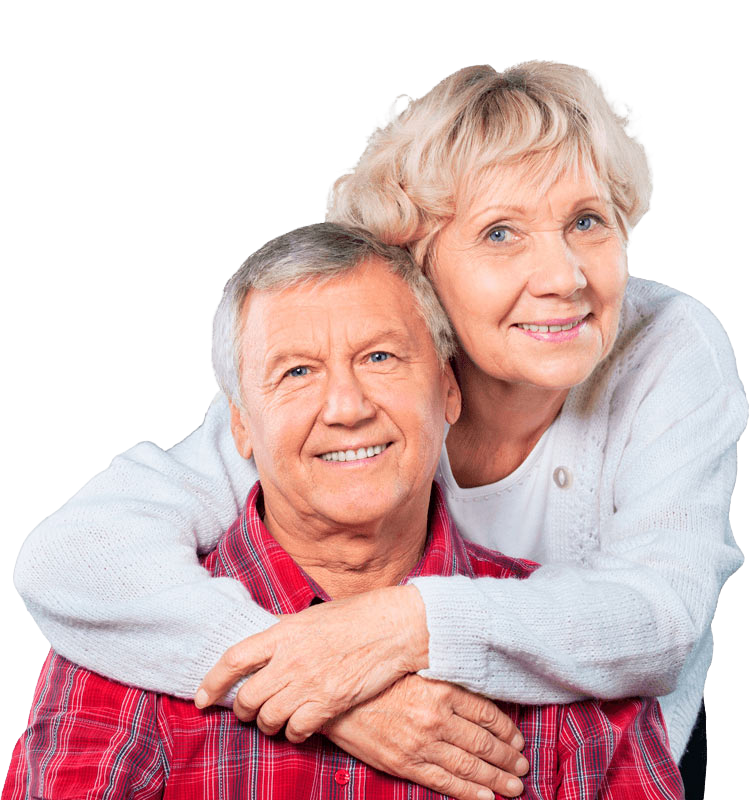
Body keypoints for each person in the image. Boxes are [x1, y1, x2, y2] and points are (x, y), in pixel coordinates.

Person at [12, 61, 745, 796]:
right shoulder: (332, 395)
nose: (563, 277)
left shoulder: (668, 346)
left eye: (587, 221)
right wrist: (314, 683)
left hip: (618, 734)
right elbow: (68, 559)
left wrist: (396, 629)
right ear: (413, 263)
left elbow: (660, 622)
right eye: (500, 233)